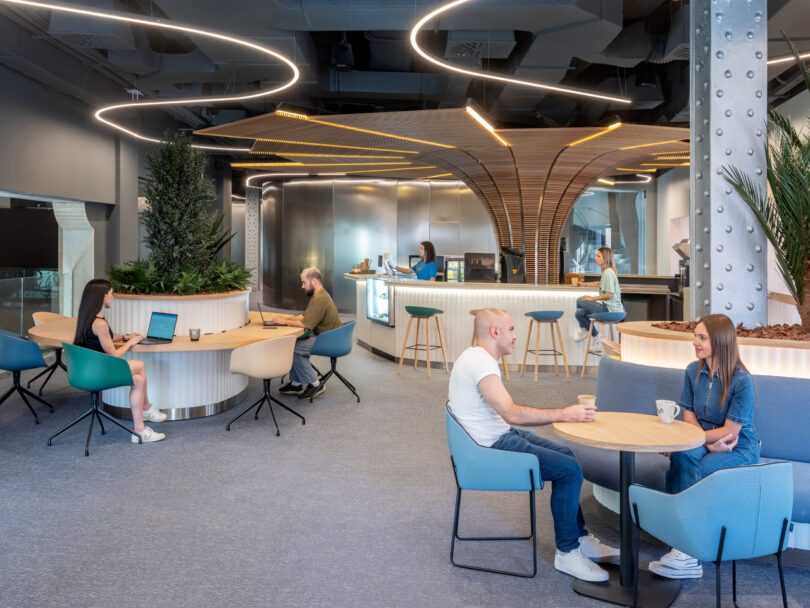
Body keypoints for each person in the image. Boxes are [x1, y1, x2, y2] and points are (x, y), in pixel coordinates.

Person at [448, 308, 619, 582]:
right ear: (495, 332)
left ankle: (579, 537)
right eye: (511, 329)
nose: (515, 336)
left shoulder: (475, 356)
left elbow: (506, 417)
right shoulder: (481, 363)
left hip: (494, 436)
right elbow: (512, 413)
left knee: (567, 455)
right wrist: (564, 413)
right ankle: (568, 552)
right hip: (488, 449)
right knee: (570, 471)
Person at [650, 313, 759, 579]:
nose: (694, 342)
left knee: (690, 462)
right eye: (695, 336)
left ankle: (690, 551)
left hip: (738, 447)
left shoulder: (742, 380)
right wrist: (698, 443)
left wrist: (698, 444)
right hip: (705, 437)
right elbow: (689, 416)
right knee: (683, 456)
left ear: (720, 341)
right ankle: (681, 542)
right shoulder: (692, 370)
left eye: (701, 337)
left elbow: (731, 431)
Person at [73, 279, 167, 443]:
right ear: (103, 296)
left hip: (85, 370)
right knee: (140, 365)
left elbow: (104, 338)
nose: (113, 297)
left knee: (138, 380)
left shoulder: (89, 317)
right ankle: (146, 407)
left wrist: (124, 337)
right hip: (98, 372)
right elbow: (115, 355)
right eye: (111, 293)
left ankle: (140, 430)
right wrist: (130, 343)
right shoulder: (100, 324)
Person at [272, 267, 342, 400]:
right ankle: (296, 383)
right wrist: (284, 318)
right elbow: (305, 316)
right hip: (328, 336)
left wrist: (284, 322)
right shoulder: (319, 295)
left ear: (314, 280)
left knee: (295, 349)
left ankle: (315, 384)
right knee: (292, 344)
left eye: (304, 282)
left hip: (330, 340)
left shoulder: (320, 299)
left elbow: (305, 324)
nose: (302, 286)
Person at [573, 247, 624, 350]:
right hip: (610, 309)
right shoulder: (607, 272)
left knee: (580, 300)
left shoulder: (608, 273)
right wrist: (583, 285)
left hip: (610, 310)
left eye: (598, 256)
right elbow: (599, 283)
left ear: (605, 259)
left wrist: (592, 298)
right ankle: (594, 335)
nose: (595, 258)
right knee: (579, 313)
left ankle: (583, 329)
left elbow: (608, 294)